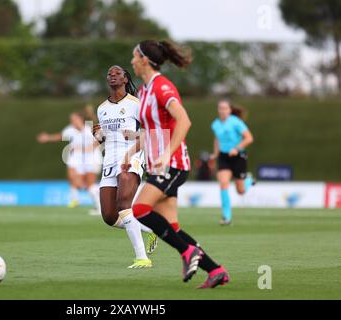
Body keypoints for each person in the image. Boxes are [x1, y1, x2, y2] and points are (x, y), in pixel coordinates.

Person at [123, 40, 229, 288]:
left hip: (174, 164)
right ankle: (216, 271)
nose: (131, 62)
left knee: (139, 209)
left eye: (134, 57)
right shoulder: (144, 91)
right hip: (159, 166)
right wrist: (130, 153)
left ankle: (188, 253)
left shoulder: (162, 87)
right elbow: (150, 131)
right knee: (172, 228)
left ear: (145, 60)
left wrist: (167, 153)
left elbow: (184, 121)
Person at [92, 65, 158, 269]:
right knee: (110, 217)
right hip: (109, 161)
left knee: (124, 205)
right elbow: (104, 139)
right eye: (109, 73)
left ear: (125, 78)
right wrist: (98, 136)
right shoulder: (101, 109)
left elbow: (150, 132)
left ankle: (142, 258)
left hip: (132, 157)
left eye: (117, 73)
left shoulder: (136, 104)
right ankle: (151, 229)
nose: (112, 75)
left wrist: (135, 141)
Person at [37, 112, 102, 214]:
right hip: (82, 161)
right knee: (82, 184)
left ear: (80, 119)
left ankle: (101, 205)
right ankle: (90, 201)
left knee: (90, 185)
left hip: (94, 159)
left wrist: (86, 148)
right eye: (71, 119)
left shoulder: (89, 128)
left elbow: (100, 139)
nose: (72, 121)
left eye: (74, 119)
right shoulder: (70, 129)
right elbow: (60, 136)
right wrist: (48, 138)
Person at [210, 100, 255, 225]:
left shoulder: (236, 122)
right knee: (223, 183)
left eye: (225, 108)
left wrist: (236, 148)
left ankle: (249, 180)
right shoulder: (215, 124)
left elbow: (249, 138)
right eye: (220, 108)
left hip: (238, 156)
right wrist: (215, 154)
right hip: (224, 157)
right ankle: (226, 217)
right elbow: (217, 140)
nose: (222, 110)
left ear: (230, 110)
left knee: (240, 191)